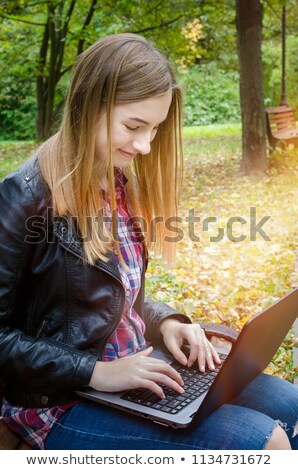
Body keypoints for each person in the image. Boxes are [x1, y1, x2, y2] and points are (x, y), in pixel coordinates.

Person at [0, 33, 297, 451]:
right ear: (88, 107)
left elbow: (103, 300)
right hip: (60, 402)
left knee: (291, 403)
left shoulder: (117, 182)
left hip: (137, 371)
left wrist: (168, 322)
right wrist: (96, 373)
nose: (145, 145)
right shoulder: (23, 196)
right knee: (263, 442)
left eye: (154, 129)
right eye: (133, 126)